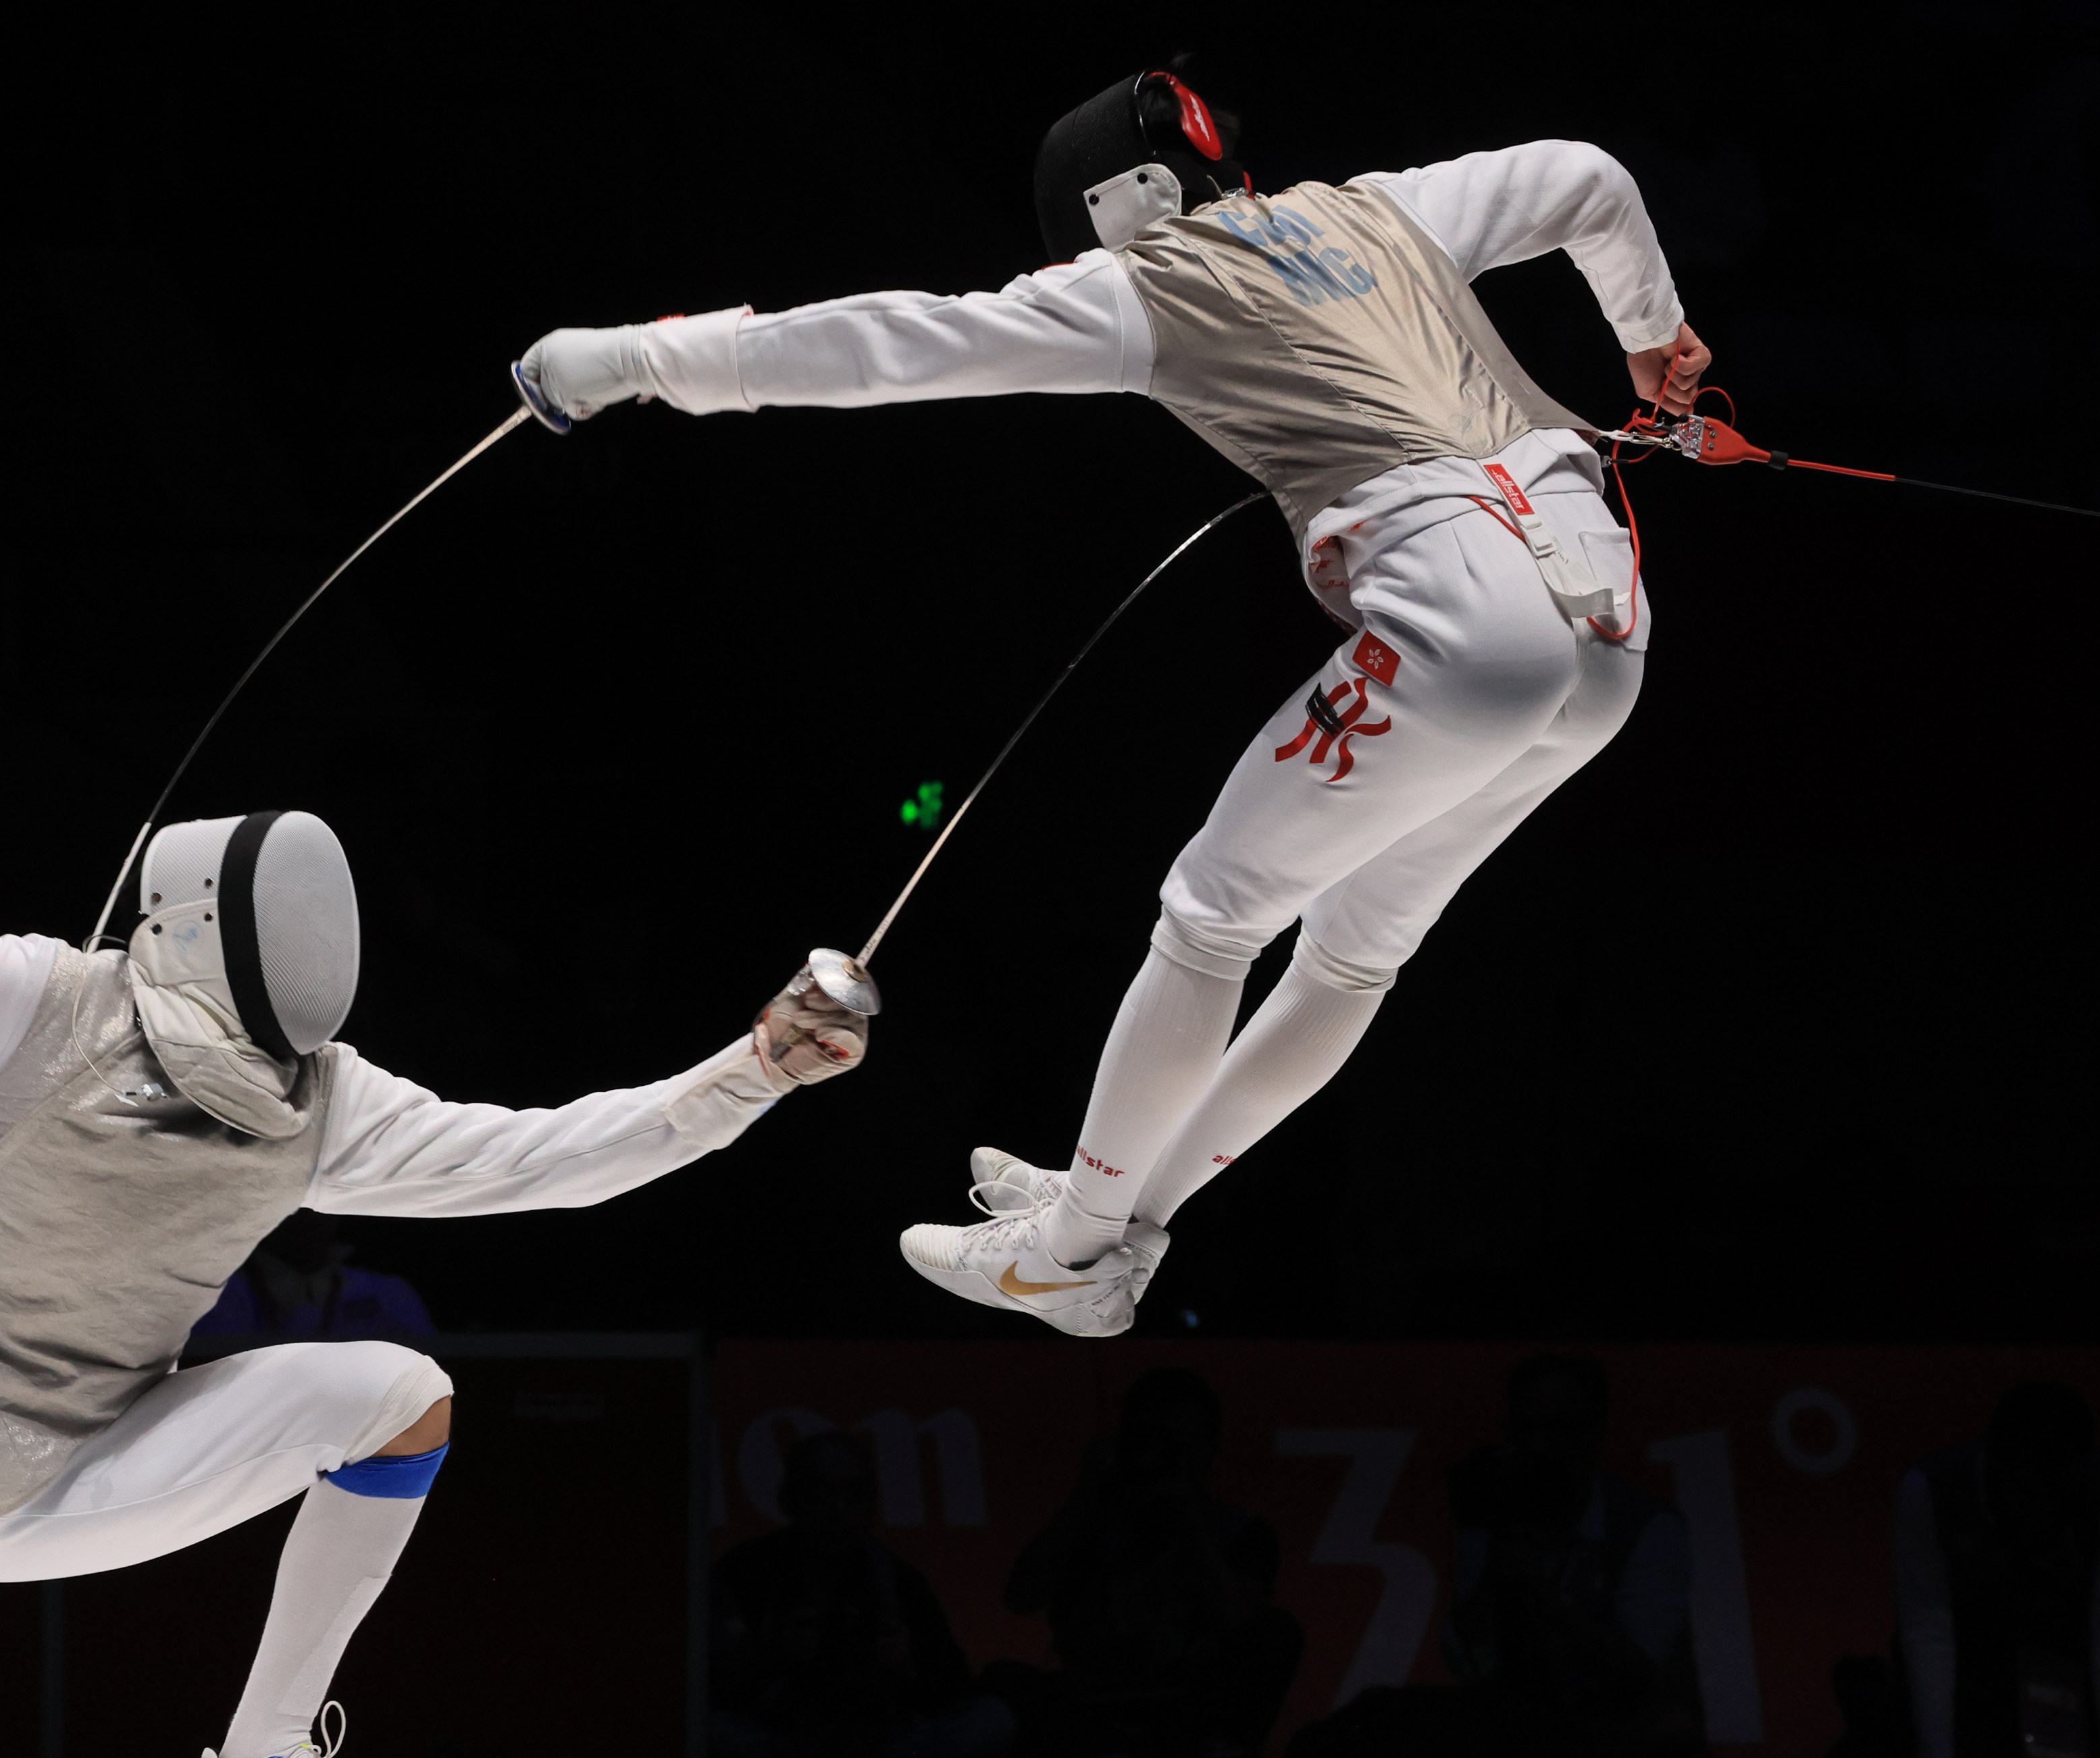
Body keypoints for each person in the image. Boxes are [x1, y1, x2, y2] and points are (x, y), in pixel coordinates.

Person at [519, 66, 1708, 1333]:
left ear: (1116, 205)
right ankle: (1120, 1221)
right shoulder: (1384, 207)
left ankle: (1069, 1251)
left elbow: (892, 341)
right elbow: (1590, 175)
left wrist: (641, 358)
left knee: (1211, 913)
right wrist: (1655, 333)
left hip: (1469, 626)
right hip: (1609, 628)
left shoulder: (1144, 276)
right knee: (1357, 944)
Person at [0, 680, 871, 1758]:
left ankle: (264, 1744)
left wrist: (751, 1068)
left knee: (402, 1392)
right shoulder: (49, 994)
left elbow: (559, 1159)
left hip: (90, 1462)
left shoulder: (324, 1101)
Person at [1291, 1353, 1696, 1758]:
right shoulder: (1496, 1507)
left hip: (1621, 1728)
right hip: (1521, 1717)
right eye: (1527, 1429)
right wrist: (1497, 1576)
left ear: (1596, 1432)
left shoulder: (1649, 1527)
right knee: (1374, 1716)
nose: (1541, 1446)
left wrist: (1544, 1601)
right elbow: (1470, 1660)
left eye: (1560, 1429)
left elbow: (1638, 1672)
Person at [984, 1368, 1300, 1757]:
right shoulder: (1093, 1523)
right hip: (1089, 1708)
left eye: (1187, 1444)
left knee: (1279, 1632)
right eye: (1156, 1440)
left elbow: (1239, 1619)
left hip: (1187, 1717)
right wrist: (1086, 1495)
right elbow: (1020, 1597)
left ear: (1211, 1448)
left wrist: (1186, 1516)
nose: (1169, 1457)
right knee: (1002, 1685)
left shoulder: (1240, 1533)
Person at [709, 1430, 1013, 1758]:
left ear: (873, 1502)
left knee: (991, 1718)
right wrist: (770, 1657)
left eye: (854, 1494)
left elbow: (955, 1692)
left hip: (882, 1742)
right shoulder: (747, 1570)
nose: (838, 1510)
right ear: (788, 1500)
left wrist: (908, 1665)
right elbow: (708, 1689)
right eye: (820, 1494)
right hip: (783, 1739)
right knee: (708, 1727)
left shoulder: (898, 1579)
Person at [1895, 1382, 2100, 1758]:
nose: (2040, 1512)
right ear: (1996, 1463)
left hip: (2066, 1667)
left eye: (2058, 1491)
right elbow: (1929, 1632)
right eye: (2028, 1490)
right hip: (1966, 1666)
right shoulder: (1930, 1492)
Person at [191, 1210, 437, 1339]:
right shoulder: (220, 1292)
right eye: (299, 1207)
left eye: (321, 1207)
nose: (310, 1217)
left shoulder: (387, 1293)